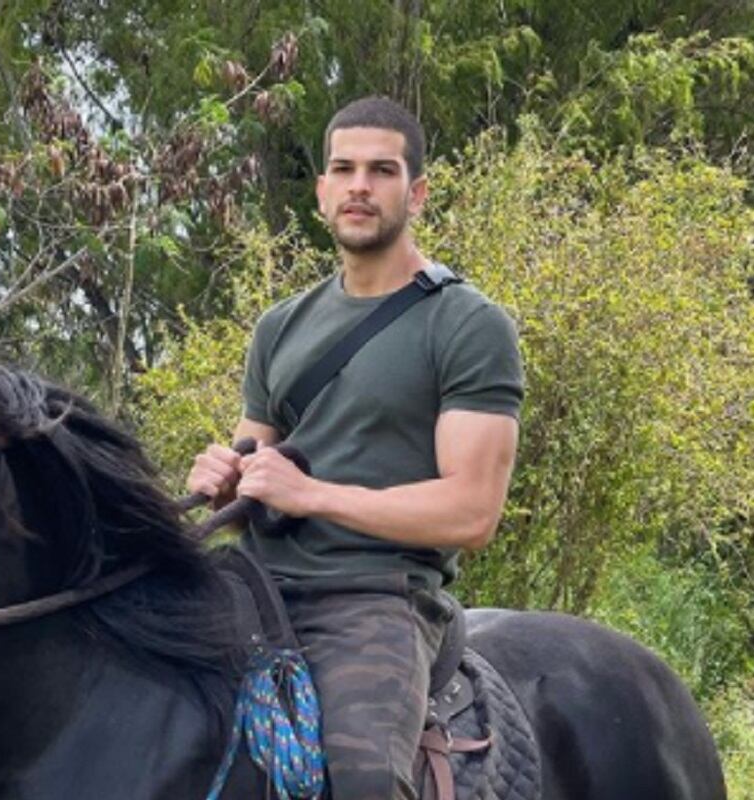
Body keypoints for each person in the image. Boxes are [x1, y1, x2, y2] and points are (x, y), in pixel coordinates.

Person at [187, 96, 523, 800]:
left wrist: (313, 496)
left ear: (417, 192)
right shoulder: (281, 326)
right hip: (252, 584)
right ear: (322, 192)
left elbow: (471, 513)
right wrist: (226, 476)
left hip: (375, 598)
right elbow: (264, 463)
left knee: (364, 780)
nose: (359, 186)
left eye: (381, 170)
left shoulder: (466, 325)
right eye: (343, 169)